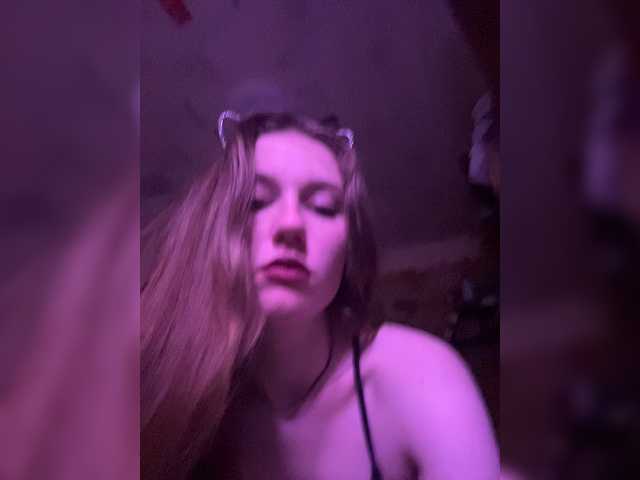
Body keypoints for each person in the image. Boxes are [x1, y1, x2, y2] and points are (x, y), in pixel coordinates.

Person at [141, 111, 499, 480]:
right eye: (255, 202)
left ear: (348, 250)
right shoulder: (183, 395)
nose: (291, 224)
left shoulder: (417, 373)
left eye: (324, 207)